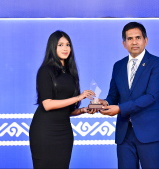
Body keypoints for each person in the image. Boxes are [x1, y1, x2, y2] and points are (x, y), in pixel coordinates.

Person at [99, 22, 159, 169]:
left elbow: (151, 96)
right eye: (130, 39)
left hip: (149, 132)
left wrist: (119, 109)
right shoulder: (118, 66)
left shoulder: (156, 63)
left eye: (138, 37)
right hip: (125, 134)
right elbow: (113, 95)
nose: (134, 42)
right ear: (124, 43)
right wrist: (104, 102)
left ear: (145, 40)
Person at [29, 30, 95, 168]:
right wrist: (78, 97)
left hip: (64, 132)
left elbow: (67, 110)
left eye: (68, 45)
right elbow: (47, 105)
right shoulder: (45, 70)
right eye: (60, 45)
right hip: (44, 131)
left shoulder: (71, 74)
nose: (65, 48)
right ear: (52, 47)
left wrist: (83, 110)